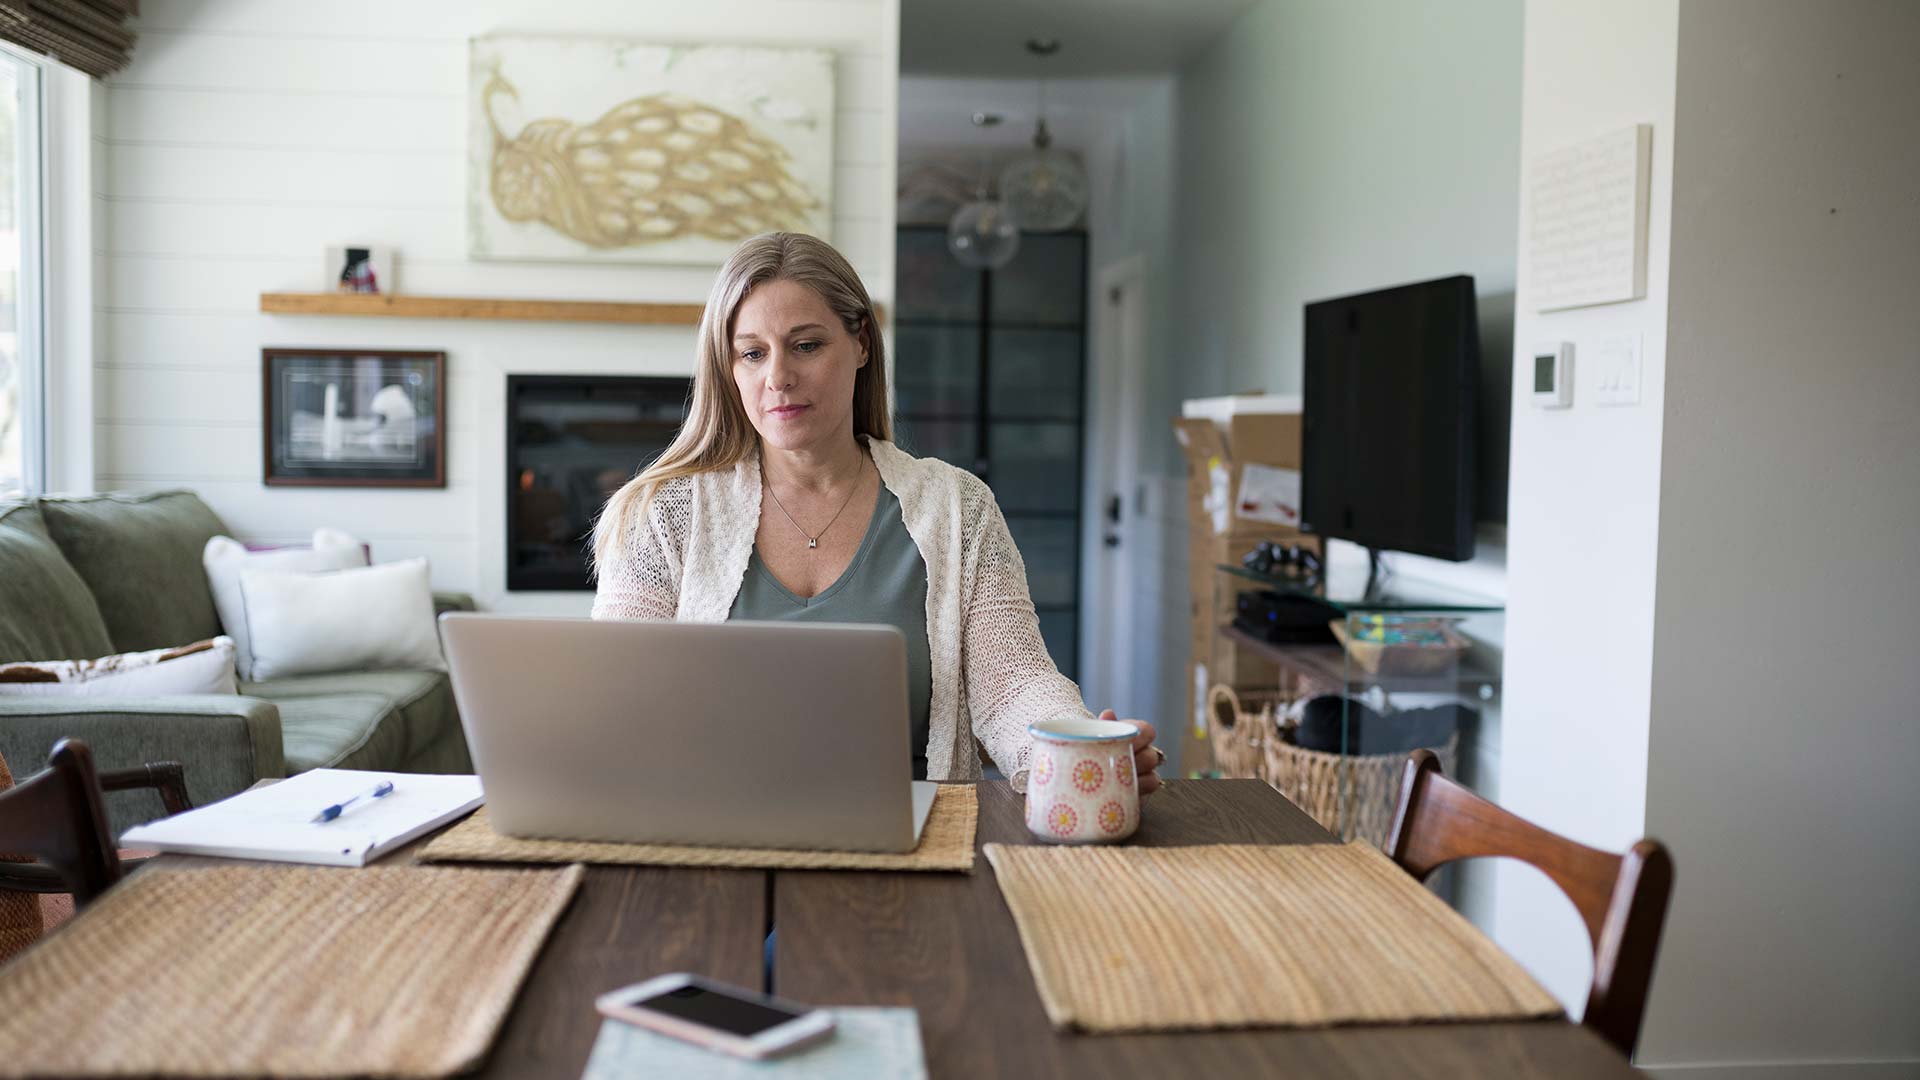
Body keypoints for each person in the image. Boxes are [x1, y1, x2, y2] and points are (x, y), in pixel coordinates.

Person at [591, 231, 1163, 792]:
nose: (778, 377)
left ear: (861, 342)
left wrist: (1069, 747)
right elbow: (616, 696)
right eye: (752, 353)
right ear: (729, 366)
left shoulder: (958, 508)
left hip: (913, 840)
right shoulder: (662, 514)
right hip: (714, 829)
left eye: (806, 345)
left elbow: (1014, 683)